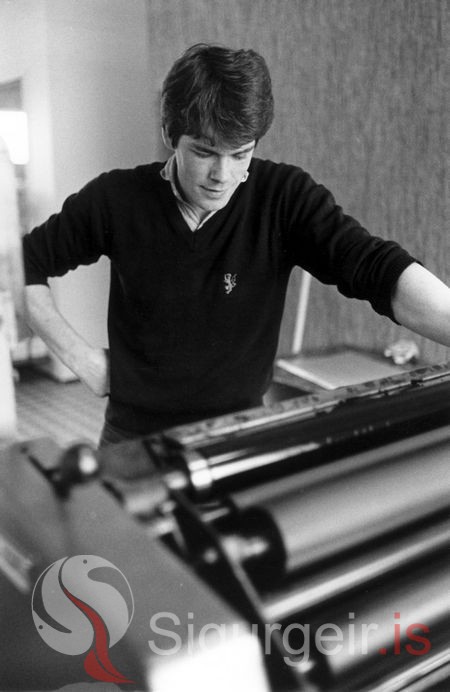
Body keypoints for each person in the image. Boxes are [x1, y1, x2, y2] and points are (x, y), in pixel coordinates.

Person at [22, 44, 450, 447]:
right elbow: (21, 263)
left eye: (240, 154)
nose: (222, 175)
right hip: (133, 437)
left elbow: (376, 268)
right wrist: (82, 361)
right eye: (205, 152)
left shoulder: (283, 197)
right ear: (171, 135)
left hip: (240, 433)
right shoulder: (116, 200)